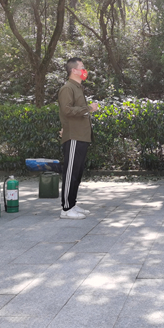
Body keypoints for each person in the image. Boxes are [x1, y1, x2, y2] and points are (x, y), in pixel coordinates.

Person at [58, 58, 99, 219]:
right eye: (82, 67)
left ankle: (72, 203)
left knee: (78, 171)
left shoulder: (77, 88)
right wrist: (89, 108)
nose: (84, 70)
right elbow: (67, 110)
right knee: (71, 172)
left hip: (81, 136)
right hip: (74, 136)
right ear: (74, 70)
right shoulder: (67, 88)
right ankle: (66, 208)